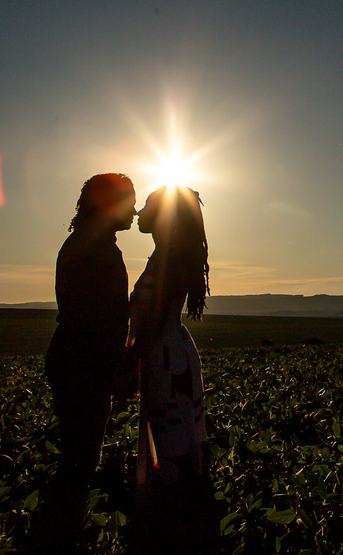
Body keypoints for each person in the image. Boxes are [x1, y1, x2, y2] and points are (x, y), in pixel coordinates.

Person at [41, 173, 137, 544]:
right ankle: (61, 537)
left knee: (76, 457)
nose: (133, 211)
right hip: (83, 362)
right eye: (129, 202)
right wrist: (115, 367)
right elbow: (97, 318)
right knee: (79, 461)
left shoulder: (87, 242)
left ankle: (59, 533)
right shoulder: (95, 248)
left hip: (76, 358)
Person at [126, 185, 217, 552]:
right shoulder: (169, 253)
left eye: (148, 206)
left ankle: (176, 524)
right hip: (170, 350)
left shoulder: (168, 257)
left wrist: (131, 359)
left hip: (164, 355)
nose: (139, 213)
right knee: (178, 436)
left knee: (171, 439)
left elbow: (152, 318)